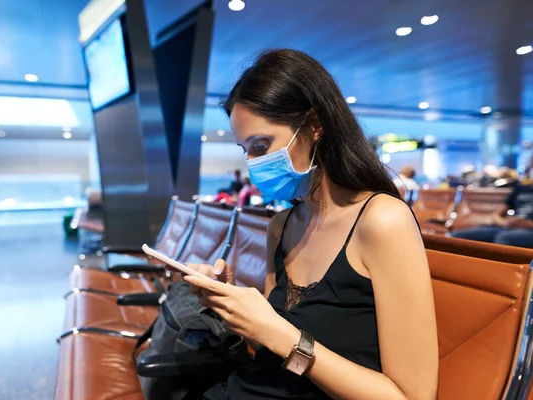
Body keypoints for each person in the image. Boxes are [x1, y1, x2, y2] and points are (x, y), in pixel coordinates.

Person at [179, 49, 438, 399]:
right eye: (246, 151)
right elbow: (275, 354)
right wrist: (230, 305)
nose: (254, 166)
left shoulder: (381, 221)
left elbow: (413, 396)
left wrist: (283, 336)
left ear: (315, 126)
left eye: (262, 145)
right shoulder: (281, 226)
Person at [452, 182, 533, 248]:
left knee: (503, 237)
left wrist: (526, 224)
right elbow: (496, 215)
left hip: (529, 230)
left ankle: (499, 268)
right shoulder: (520, 189)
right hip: (509, 227)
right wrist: (504, 222)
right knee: (458, 235)